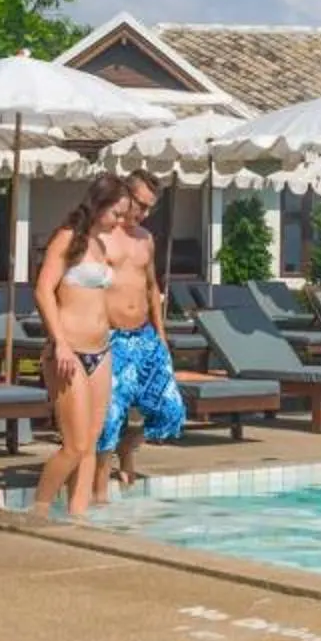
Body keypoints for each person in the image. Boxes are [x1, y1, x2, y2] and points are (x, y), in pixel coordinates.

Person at [29, 174, 127, 521]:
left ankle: (77, 516)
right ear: (99, 205)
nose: (120, 221)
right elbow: (43, 291)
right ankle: (38, 509)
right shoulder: (67, 238)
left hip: (101, 352)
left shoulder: (100, 245)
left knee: (92, 442)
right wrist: (60, 345)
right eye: (117, 213)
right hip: (68, 351)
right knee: (75, 446)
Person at [96, 171, 184, 492]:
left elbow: (151, 286)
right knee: (110, 414)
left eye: (149, 208)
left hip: (145, 336)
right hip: (110, 336)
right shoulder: (101, 236)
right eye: (139, 205)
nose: (143, 214)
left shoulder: (146, 238)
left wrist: (160, 333)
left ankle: (128, 447)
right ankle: (100, 481)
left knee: (170, 410)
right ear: (124, 195)